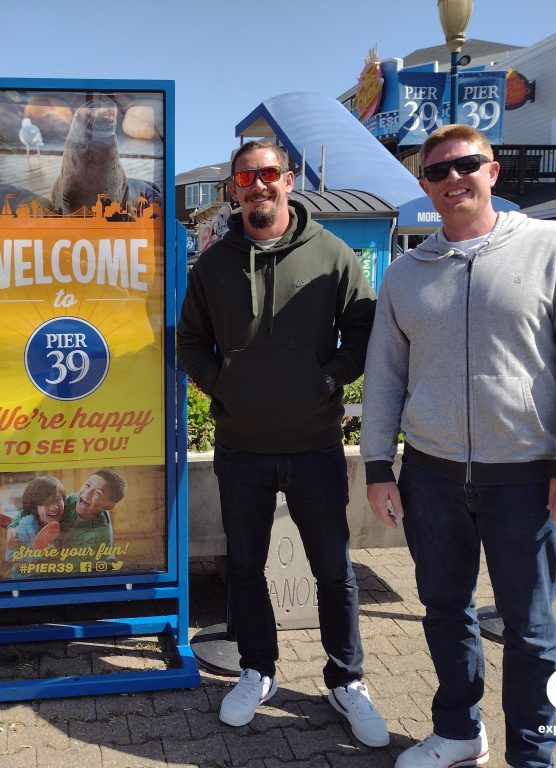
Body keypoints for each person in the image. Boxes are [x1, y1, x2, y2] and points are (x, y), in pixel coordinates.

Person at [361, 124, 556, 768]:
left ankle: (533, 753)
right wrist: (377, 466)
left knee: (530, 628)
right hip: (432, 475)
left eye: (466, 165)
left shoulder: (555, 248)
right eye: (439, 172)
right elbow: (385, 376)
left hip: (526, 477)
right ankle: (457, 731)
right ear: (424, 185)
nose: (454, 180)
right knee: (444, 609)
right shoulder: (405, 273)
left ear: (493, 171)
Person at [177, 140, 387, 745]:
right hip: (242, 446)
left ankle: (346, 680)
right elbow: (190, 340)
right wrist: (224, 386)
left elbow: (363, 326)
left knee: (333, 570)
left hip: (314, 445)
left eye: (268, 173)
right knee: (245, 567)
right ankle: (257, 669)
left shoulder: (332, 254)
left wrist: (330, 377)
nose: (258, 185)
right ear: (234, 189)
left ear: (288, 179)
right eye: (247, 176)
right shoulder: (213, 265)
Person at [5, 476, 67, 570]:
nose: (54, 507)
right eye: (46, 503)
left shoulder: (66, 518)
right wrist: (39, 555)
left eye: (58, 500)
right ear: (35, 507)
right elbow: (10, 557)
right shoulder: (27, 526)